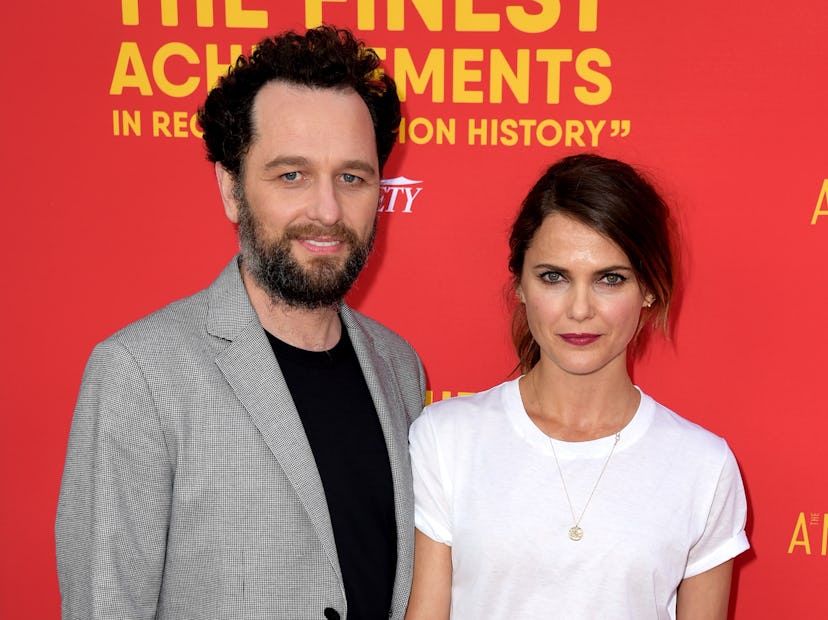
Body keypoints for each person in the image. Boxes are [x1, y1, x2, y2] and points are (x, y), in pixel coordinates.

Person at [56, 26, 425, 620]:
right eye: (291, 175)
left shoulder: (399, 366)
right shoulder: (143, 371)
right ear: (231, 190)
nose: (327, 210)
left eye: (351, 177)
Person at [405, 154, 749, 619]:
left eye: (610, 279)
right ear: (521, 285)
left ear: (648, 288)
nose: (580, 309)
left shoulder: (703, 466)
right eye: (554, 277)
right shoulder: (447, 439)